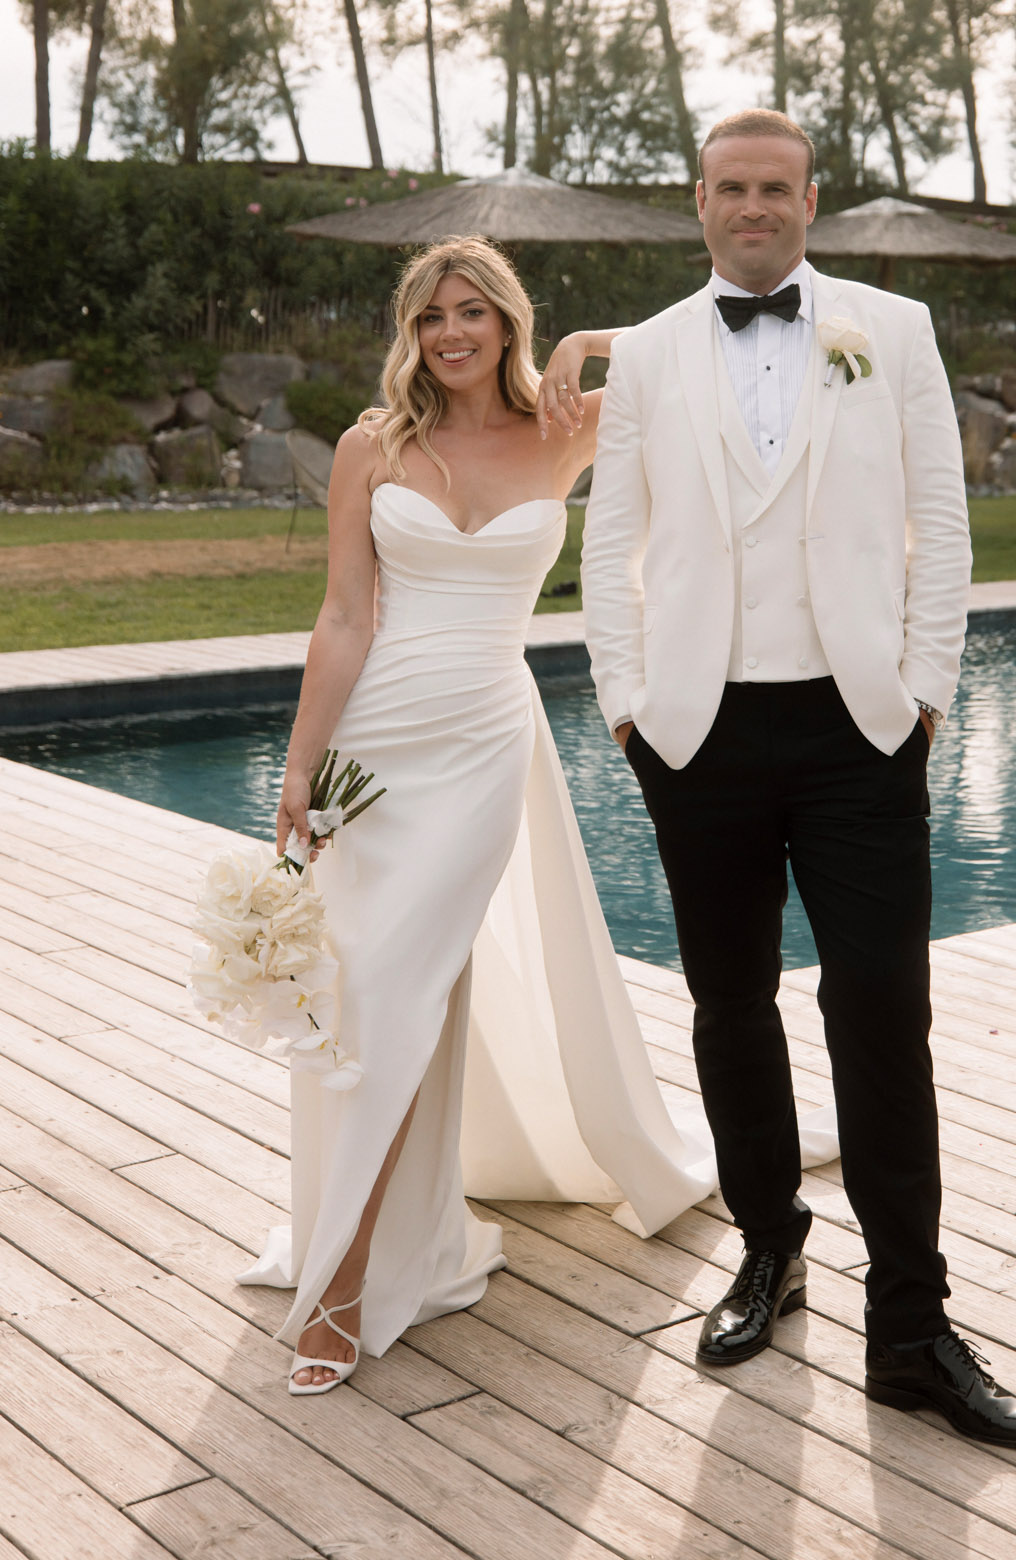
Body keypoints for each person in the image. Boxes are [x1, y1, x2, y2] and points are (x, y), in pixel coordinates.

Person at [562, 109, 1016, 1448]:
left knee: (883, 1015)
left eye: (773, 188)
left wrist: (923, 696)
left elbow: (940, 523)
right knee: (730, 1012)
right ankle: (769, 1251)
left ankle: (908, 1330)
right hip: (696, 736)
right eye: (730, 188)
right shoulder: (658, 350)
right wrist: (625, 706)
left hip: (858, 734)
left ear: (809, 199)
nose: (752, 207)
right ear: (699, 201)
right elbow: (608, 538)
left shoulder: (886, 333)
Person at [242, 236, 714, 1392]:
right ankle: (365, 1230)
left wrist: (590, 345)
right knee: (361, 989)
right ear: (411, 331)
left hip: (483, 742)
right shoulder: (372, 443)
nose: (451, 332)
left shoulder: (572, 426)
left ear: (508, 321)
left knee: (399, 984)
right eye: (431, 315)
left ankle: (341, 1289)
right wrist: (302, 767)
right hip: (375, 747)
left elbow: (698, 359)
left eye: (474, 311)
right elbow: (344, 615)